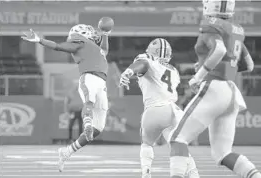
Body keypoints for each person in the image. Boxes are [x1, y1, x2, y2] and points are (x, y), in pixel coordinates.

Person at [169, 0, 261, 178]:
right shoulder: (236, 30)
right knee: (223, 153)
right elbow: (248, 65)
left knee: (177, 138)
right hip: (231, 91)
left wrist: (199, 76)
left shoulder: (211, 25)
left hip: (214, 87)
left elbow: (218, 50)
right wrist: (209, 65)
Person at [22, 23, 111, 172]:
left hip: (101, 83)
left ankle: (67, 151)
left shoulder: (94, 48)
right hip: (89, 77)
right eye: (89, 31)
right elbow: (59, 46)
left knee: (99, 128)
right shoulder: (80, 41)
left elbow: (105, 50)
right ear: (81, 33)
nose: (92, 33)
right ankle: (87, 124)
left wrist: (105, 34)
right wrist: (40, 40)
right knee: (89, 102)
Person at [119, 38, 199, 178]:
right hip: (174, 111)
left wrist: (128, 72)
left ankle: (146, 173)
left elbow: (142, 64)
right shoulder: (173, 70)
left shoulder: (147, 59)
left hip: (155, 110)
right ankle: (193, 174)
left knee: (147, 144)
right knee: (180, 146)